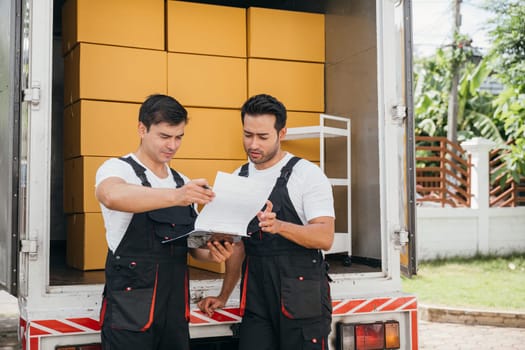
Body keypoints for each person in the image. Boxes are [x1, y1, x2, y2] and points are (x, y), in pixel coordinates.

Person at [95, 94, 234, 350]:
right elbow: (110, 195)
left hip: (174, 309)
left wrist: (214, 251)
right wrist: (176, 197)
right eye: (164, 136)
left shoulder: (183, 181)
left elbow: (193, 247)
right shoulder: (118, 169)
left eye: (179, 137)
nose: (172, 145)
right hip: (130, 310)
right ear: (141, 129)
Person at [198, 94, 335, 349]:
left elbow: (325, 237)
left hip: (300, 296)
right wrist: (224, 295)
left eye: (262, 137)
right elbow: (237, 246)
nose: (253, 144)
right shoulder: (238, 177)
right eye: (248, 135)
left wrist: (279, 226)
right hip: (257, 296)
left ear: (282, 133)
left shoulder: (306, 174)